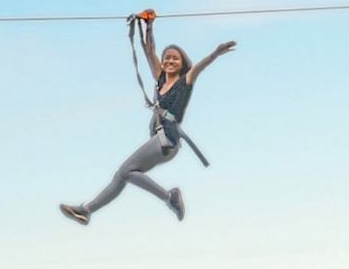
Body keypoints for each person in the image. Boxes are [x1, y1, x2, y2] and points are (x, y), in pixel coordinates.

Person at [61, 13, 236, 225]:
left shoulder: (184, 82)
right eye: (167, 58)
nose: (170, 61)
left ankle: (169, 197)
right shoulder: (160, 78)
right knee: (123, 175)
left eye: (175, 58)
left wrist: (214, 54)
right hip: (160, 139)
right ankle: (87, 210)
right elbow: (150, 52)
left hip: (167, 139)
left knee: (125, 171)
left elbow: (199, 68)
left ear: (182, 64)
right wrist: (149, 25)